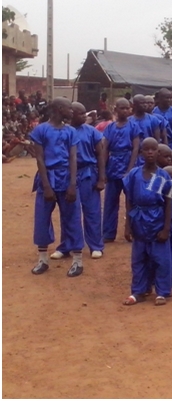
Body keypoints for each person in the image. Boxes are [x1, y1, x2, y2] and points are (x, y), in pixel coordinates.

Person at [30, 98, 85, 277]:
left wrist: (72, 184)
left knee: (72, 218)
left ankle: (77, 261)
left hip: (66, 177)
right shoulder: (41, 130)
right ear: (60, 109)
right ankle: (43, 259)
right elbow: (39, 158)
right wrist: (45, 185)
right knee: (42, 218)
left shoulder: (71, 131)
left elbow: (73, 158)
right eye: (70, 108)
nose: (72, 111)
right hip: (47, 177)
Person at [51, 102, 106, 261]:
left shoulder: (91, 132)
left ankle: (96, 246)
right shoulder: (62, 131)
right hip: (67, 175)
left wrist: (102, 178)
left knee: (92, 211)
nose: (84, 116)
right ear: (70, 114)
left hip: (88, 173)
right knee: (68, 212)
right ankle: (66, 246)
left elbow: (100, 155)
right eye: (80, 113)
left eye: (85, 113)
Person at [122, 138, 172, 306]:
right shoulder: (134, 175)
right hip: (139, 219)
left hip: (156, 218)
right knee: (138, 258)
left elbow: (168, 202)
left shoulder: (163, 175)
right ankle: (139, 290)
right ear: (141, 152)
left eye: (153, 149)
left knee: (161, 258)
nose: (150, 152)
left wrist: (166, 227)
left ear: (158, 152)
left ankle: (162, 291)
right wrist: (128, 225)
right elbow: (129, 199)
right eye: (146, 149)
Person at [102, 98, 141, 242]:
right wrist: (104, 169)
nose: (125, 111)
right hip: (113, 164)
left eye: (127, 108)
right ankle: (108, 233)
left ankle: (131, 230)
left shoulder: (133, 126)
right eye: (122, 108)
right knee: (110, 201)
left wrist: (130, 169)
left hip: (128, 161)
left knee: (132, 200)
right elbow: (105, 148)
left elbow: (136, 148)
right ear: (115, 110)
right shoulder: (110, 128)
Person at [130, 95, 162, 165]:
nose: (145, 105)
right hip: (133, 156)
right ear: (134, 105)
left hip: (149, 155)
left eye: (145, 103)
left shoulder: (153, 120)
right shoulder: (129, 121)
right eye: (142, 103)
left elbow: (157, 140)